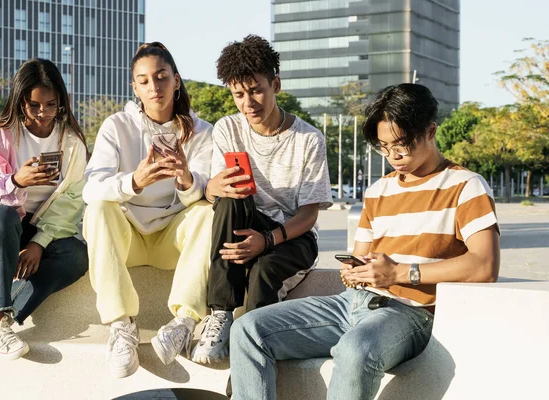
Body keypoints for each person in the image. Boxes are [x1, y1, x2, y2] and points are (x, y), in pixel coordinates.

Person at [228, 83, 501, 399]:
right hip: (352, 304)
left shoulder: (466, 186)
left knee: (355, 349)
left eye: (401, 145)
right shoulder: (378, 191)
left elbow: (485, 265)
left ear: (430, 131)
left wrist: (399, 273)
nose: (392, 156)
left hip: (410, 313)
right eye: (383, 146)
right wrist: (354, 272)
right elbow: (360, 260)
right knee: (248, 329)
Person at [191, 35, 332, 364]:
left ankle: (244, 371)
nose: (248, 102)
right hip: (246, 220)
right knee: (228, 196)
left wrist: (267, 240)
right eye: (238, 94)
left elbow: (309, 214)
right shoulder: (228, 128)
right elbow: (216, 193)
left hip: (292, 237)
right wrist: (213, 186)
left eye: (256, 90)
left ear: (276, 85)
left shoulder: (308, 139)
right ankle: (222, 313)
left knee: (264, 271)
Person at [82, 42, 213, 378]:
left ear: (176, 80)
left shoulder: (200, 132)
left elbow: (205, 193)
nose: (154, 87)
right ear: (134, 86)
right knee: (98, 208)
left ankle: (184, 322)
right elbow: (91, 188)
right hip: (128, 241)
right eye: (144, 80)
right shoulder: (117, 126)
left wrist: (186, 178)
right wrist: (134, 182)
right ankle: (122, 326)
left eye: (161, 77)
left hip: (172, 241)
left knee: (208, 214)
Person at [0, 58, 90, 360]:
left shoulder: (71, 142)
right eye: (34, 105)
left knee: (77, 255)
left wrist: (38, 243)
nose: (43, 113)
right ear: (21, 103)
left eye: (51, 104)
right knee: (3, 216)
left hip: (38, 230)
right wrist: (16, 180)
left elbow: (72, 199)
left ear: (61, 101)